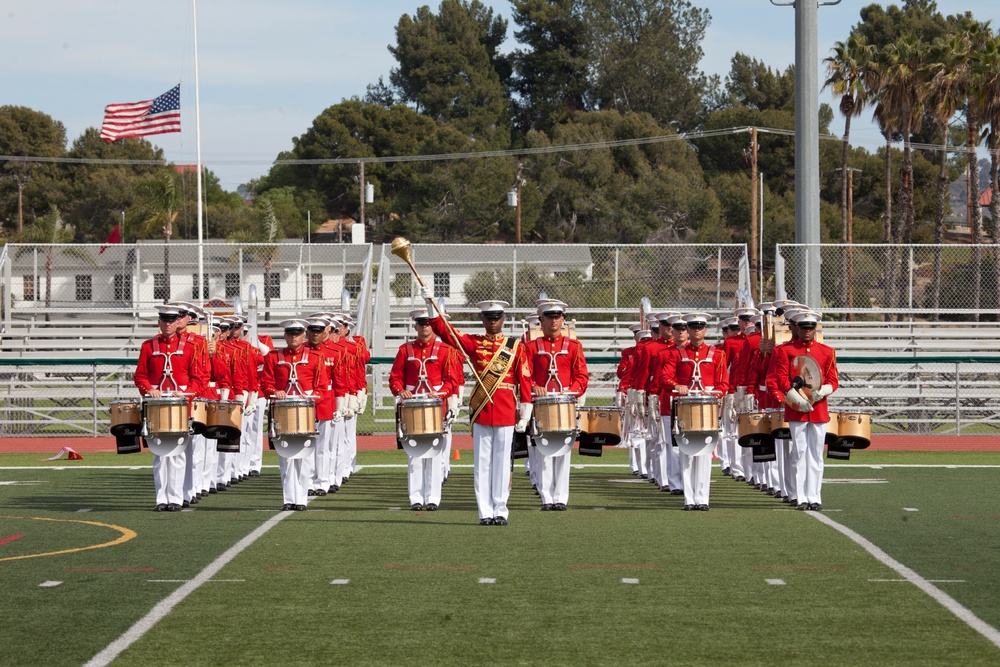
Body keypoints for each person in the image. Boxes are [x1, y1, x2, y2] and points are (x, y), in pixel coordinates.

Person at [422, 289, 527, 526]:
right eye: (489, 317)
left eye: (497, 317)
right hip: (482, 409)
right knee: (482, 463)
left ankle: (500, 509)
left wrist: (526, 409)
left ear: (503, 319)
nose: (493, 321)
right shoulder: (474, 342)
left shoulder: (515, 347)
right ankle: (484, 511)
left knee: (502, 463)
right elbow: (447, 334)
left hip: (506, 409)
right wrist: (430, 306)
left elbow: (525, 379)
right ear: (482, 320)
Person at [519, 300, 588, 511]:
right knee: (544, 453)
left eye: (558, 316)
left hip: (565, 403)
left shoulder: (574, 346)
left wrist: (572, 390)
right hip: (541, 406)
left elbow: (582, 376)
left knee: (563, 451)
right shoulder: (531, 347)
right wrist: (534, 386)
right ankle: (546, 496)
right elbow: (524, 374)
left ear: (563, 319)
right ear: (541, 320)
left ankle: (561, 497)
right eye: (549, 317)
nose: (554, 320)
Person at [766, 310, 838, 511]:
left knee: (815, 454)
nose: (807, 331)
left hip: (819, 409)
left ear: (816, 329)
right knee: (798, 453)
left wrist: (821, 392)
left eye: (811, 328)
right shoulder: (784, 351)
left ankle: (814, 496)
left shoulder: (827, 351)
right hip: (797, 409)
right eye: (804, 327)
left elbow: (833, 380)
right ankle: (799, 496)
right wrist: (795, 398)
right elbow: (780, 378)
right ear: (796, 328)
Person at [389, 308, 459, 511]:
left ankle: (433, 498)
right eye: (421, 323)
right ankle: (416, 498)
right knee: (415, 455)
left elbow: (451, 381)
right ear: (415, 326)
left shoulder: (445, 350)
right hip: (412, 408)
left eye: (428, 323)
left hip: (436, 407)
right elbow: (395, 378)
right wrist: (400, 391)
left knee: (435, 454)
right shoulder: (405, 350)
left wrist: (442, 393)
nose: (424, 326)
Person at [134, 305, 202, 512]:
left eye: (171, 321)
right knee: (160, 454)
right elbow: (140, 376)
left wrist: (186, 392)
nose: (168, 324)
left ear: (178, 322)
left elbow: (199, 379)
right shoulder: (148, 346)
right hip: (156, 406)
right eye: (164, 321)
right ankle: (161, 498)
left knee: (178, 453)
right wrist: (148, 390)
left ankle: (175, 498)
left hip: (180, 406)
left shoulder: (190, 347)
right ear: (159, 322)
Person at [659, 312, 729, 511]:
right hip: (685, 409)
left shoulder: (717, 354)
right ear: (688, 330)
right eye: (693, 327)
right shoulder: (677, 353)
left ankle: (703, 498)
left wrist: (714, 391)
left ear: (705, 330)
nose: (696, 331)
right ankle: (689, 498)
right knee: (686, 453)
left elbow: (724, 383)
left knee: (705, 454)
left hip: (707, 408)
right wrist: (677, 385)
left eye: (700, 327)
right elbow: (664, 378)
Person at [261, 319, 328, 511]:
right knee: (286, 457)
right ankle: (289, 498)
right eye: (290, 334)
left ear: (303, 335)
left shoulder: (315, 357)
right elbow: (265, 383)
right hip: (282, 412)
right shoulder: (274, 357)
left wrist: (310, 397)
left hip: (305, 412)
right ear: (285, 336)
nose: (293, 337)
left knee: (304, 456)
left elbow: (322, 388)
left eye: (297, 334)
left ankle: (301, 499)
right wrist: (275, 391)